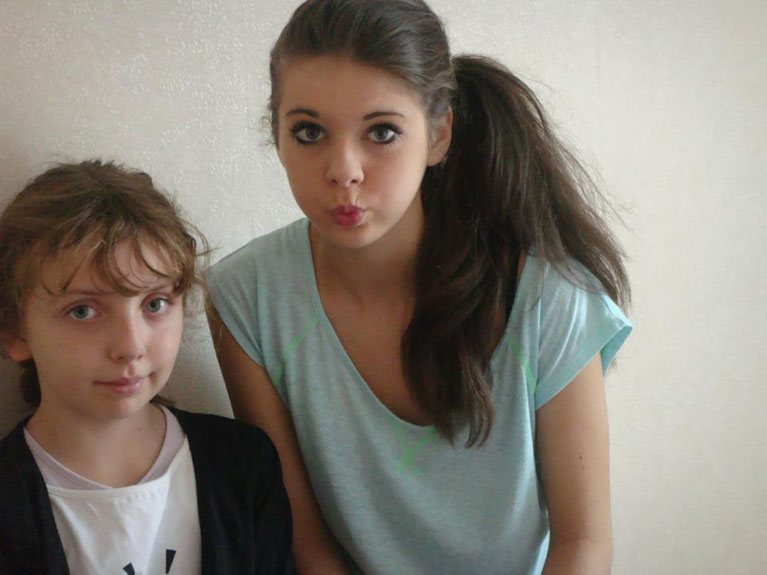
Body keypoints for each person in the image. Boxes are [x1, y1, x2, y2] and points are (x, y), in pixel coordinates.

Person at [206, 0, 632, 573]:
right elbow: (307, 545)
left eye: (381, 132)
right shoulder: (245, 297)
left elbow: (583, 542)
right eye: (309, 132)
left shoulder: (548, 298)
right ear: (276, 136)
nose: (344, 170)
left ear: (438, 135)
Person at [0, 160, 294, 574]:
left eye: (155, 304)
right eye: (83, 311)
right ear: (15, 332)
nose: (130, 346)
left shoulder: (244, 465)